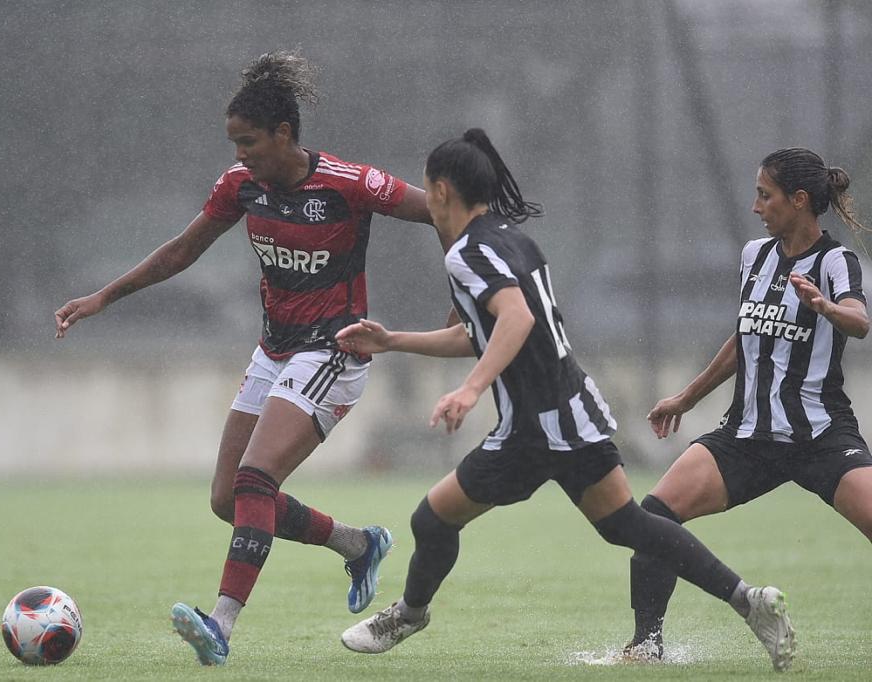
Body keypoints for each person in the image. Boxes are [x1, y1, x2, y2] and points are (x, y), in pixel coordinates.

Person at [336, 129, 795, 672]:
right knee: (626, 525)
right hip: (574, 410)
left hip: (535, 426)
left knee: (432, 520)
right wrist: (392, 341)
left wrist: (471, 388)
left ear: (439, 191)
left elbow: (517, 318)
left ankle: (409, 616)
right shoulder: (512, 238)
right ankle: (750, 601)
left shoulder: (466, 253)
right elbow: (484, 334)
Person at [53, 51, 434, 666]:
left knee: (256, 479)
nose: (240, 154)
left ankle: (221, 625)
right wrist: (105, 296)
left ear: (285, 134)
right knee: (229, 500)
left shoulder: (349, 182)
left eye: (248, 141)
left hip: (334, 350)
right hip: (274, 350)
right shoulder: (242, 186)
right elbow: (182, 251)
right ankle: (359, 544)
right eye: (234, 142)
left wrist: (463, 298)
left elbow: (441, 213)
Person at [623, 147, 871, 662]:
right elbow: (744, 339)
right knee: (654, 516)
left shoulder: (835, 261)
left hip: (821, 436)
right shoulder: (753, 256)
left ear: (799, 200)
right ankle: (646, 646)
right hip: (747, 435)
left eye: (765, 195)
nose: (756, 207)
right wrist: (686, 398)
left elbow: (859, 320)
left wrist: (824, 307)